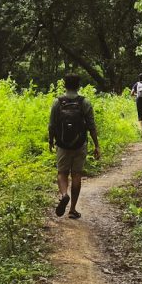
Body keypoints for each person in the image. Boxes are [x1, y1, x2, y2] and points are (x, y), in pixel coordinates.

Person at [48, 73, 100, 220]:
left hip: (62, 144)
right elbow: (91, 126)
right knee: (76, 174)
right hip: (80, 143)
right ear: (78, 86)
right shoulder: (84, 102)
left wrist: (51, 140)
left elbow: (52, 125)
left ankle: (64, 195)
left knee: (62, 172)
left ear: (65, 85)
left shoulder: (57, 102)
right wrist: (97, 145)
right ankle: (72, 209)